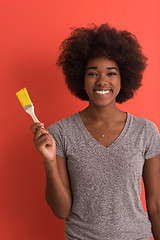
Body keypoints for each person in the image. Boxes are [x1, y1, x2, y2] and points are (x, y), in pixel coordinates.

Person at [31, 24, 160, 240]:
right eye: (92, 73)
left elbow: (156, 203)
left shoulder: (145, 131)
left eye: (111, 73)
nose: (102, 81)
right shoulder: (60, 133)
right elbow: (61, 211)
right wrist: (49, 161)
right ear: (81, 79)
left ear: (123, 79)